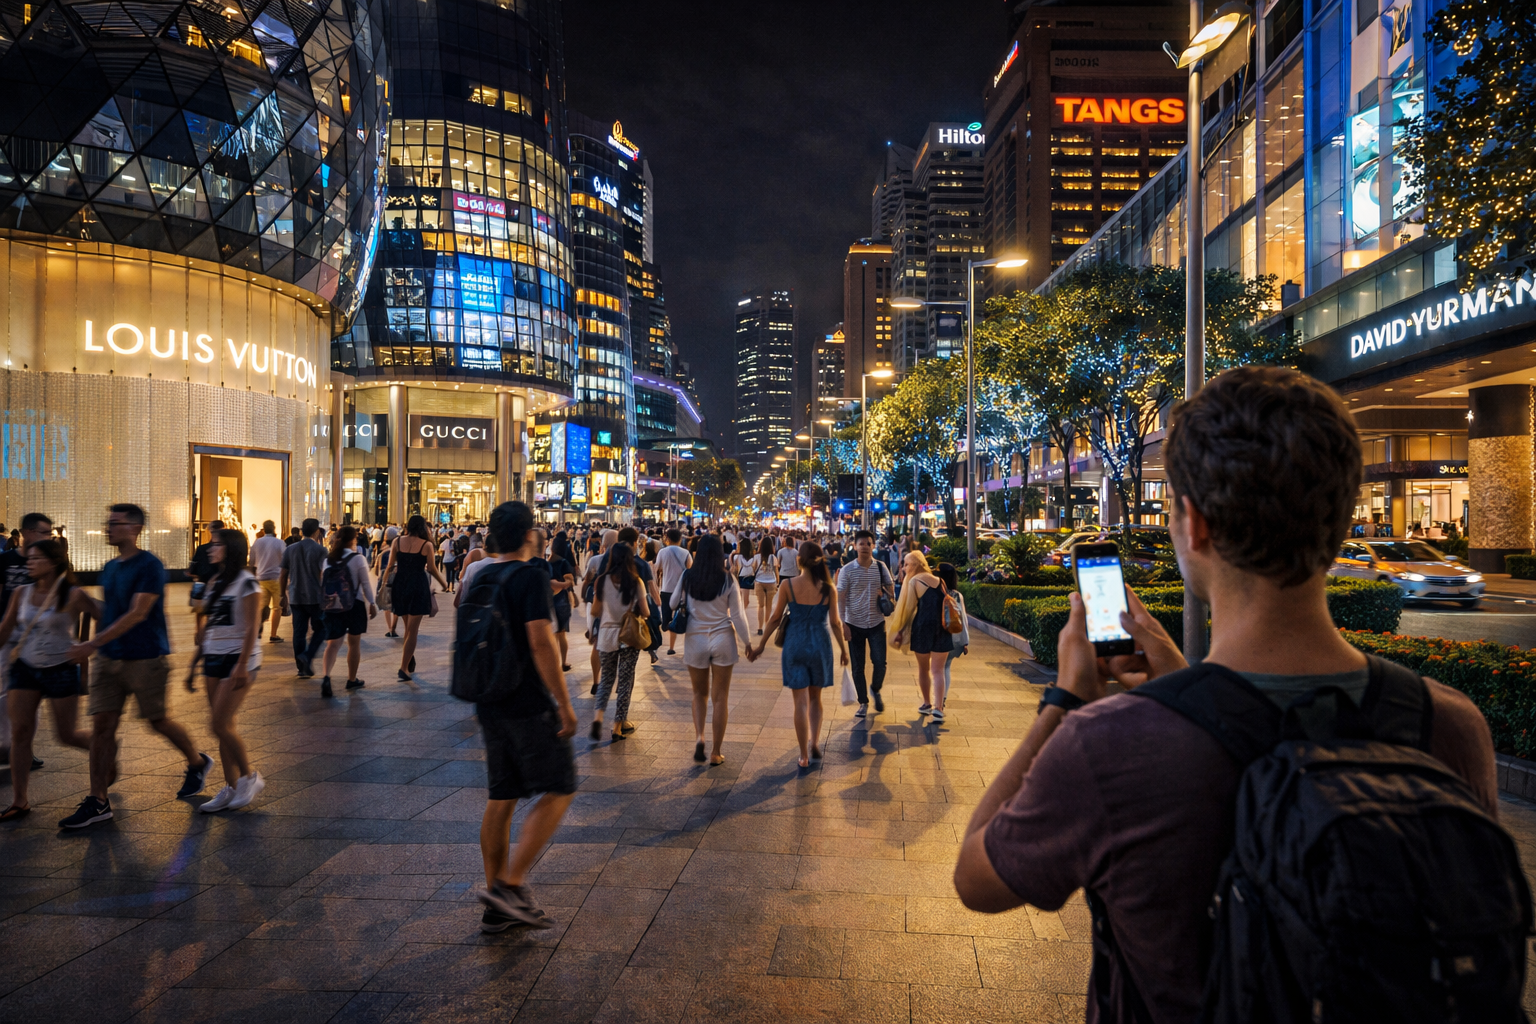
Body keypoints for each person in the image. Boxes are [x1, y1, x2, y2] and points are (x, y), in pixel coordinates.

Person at [953, 366, 1505, 1022]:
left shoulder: (1113, 746)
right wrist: (1188, 685)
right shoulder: (1448, 724)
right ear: (1341, 516)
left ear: (1195, 524)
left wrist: (1068, 700)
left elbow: (978, 877)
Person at [60, 504, 212, 828]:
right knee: (102, 727)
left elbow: (138, 612)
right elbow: (111, 612)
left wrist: (91, 643)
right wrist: (86, 605)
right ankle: (98, 799)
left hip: (145, 658)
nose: (108, 528)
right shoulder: (110, 567)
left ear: (135, 528)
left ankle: (197, 762)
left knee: (157, 721)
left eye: (115, 523)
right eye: (108, 523)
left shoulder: (150, 566)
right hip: (109, 659)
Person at [470, 502, 578, 931]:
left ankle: (496, 901)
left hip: (488, 696)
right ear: (529, 534)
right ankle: (510, 886)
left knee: (502, 796)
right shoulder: (530, 574)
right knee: (560, 786)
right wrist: (565, 704)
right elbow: (540, 643)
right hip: (526, 700)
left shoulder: (482, 573)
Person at [0, 539, 95, 821]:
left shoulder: (74, 594)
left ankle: (103, 746)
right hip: (25, 668)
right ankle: (20, 801)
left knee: (67, 734)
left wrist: (90, 646)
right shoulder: (21, 593)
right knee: (20, 733)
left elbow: (103, 615)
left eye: (36, 558)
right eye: (28, 558)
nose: (29, 562)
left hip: (61, 668)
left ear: (53, 563)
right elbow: (5, 628)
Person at [751, 542, 849, 769]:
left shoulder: (787, 585)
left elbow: (775, 619)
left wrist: (762, 644)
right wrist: (843, 650)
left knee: (800, 703)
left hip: (795, 644)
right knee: (816, 698)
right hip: (820, 645)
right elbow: (835, 622)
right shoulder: (828, 588)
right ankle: (814, 741)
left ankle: (803, 755)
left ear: (799, 560)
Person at [188, 529, 265, 812]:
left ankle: (249, 777)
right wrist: (194, 663)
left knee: (218, 724)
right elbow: (210, 626)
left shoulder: (247, 582)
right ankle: (231, 787)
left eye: (216, 544)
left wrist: (243, 664)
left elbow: (252, 627)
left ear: (231, 548)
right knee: (224, 726)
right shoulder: (215, 581)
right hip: (213, 657)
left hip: (238, 658)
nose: (210, 548)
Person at [681, 535, 755, 767]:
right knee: (720, 697)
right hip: (723, 639)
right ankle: (716, 752)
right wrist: (748, 644)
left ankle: (700, 737)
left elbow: (674, 602)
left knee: (698, 694)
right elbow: (737, 615)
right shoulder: (728, 579)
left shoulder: (688, 576)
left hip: (695, 639)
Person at [0, 512, 54, 771]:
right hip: (8, 634)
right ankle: (4, 746)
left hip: (35, 638)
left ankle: (24, 748)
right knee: (3, 692)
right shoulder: (6, 560)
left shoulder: (47, 562)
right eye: (44, 533)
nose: (48, 538)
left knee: (33, 695)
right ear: (28, 533)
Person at [590, 542, 648, 742]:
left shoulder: (601, 581)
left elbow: (595, 611)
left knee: (606, 679)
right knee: (625, 681)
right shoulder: (636, 581)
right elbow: (646, 611)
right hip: (628, 637)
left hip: (606, 635)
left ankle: (597, 719)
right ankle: (617, 727)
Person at [890, 550, 955, 722]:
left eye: (907, 564)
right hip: (943, 628)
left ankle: (927, 703)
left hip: (923, 628)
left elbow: (909, 608)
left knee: (924, 669)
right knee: (938, 670)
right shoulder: (940, 581)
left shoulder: (914, 581)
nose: (904, 568)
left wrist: (900, 631)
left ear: (916, 565)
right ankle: (939, 708)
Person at [837, 530, 895, 719]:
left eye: (868, 543)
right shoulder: (847, 570)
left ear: (873, 546)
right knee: (857, 666)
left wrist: (884, 592)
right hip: (854, 623)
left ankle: (875, 688)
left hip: (877, 622)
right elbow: (841, 598)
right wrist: (843, 623)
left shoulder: (880, 567)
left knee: (880, 663)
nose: (865, 547)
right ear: (855, 546)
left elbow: (891, 589)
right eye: (861, 543)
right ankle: (863, 702)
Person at [388, 515, 449, 682]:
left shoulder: (397, 542)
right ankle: (403, 668)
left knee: (408, 627)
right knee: (412, 631)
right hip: (417, 586)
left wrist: (382, 587)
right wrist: (444, 584)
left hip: (400, 585)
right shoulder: (426, 545)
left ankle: (408, 660)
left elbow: (390, 566)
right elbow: (431, 568)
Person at [319, 526, 377, 697]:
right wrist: (372, 603)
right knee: (354, 643)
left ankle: (326, 676)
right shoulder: (358, 559)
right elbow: (365, 583)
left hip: (333, 606)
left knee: (332, 644)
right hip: (354, 604)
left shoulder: (328, 559)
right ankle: (351, 679)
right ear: (353, 539)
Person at [278, 519, 328, 679]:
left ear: (301, 531)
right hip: (315, 596)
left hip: (296, 595)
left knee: (298, 632)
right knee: (321, 628)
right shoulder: (321, 550)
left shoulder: (290, 549)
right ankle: (308, 655)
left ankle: (301, 668)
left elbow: (283, 574)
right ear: (316, 531)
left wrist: (282, 595)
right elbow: (324, 575)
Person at [655, 528, 692, 656]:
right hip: (681, 591)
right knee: (680, 618)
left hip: (666, 590)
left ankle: (670, 642)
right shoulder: (686, 553)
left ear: (667, 539)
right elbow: (690, 570)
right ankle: (672, 647)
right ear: (680, 539)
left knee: (666, 621)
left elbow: (657, 568)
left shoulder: (662, 552)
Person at [936, 562, 969, 696]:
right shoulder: (957, 595)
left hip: (938, 637)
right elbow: (963, 619)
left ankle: (937, 699)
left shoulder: (935, 593)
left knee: (937, 669)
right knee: (946, 667)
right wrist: (965, 641)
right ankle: (942, 698)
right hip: (954, 637)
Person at [249, 520, 285, 642]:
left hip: (260, 578)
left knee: (261, 606)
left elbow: (251, 562)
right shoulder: (280, 543)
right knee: (277, 608)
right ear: (274, 528)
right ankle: (273, 635)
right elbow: (285, 561)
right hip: (276, 579)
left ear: (263, 529)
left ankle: (257, 629)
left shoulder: (257, 542)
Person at [547, 531, 577, 672]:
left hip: (549, 600)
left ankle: (553, 662)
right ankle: (563, 662)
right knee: (561, 633)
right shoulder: (563, 562)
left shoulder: (546, 562)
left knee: (552, 633)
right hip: (562, 600)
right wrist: (561, 587)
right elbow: (569, 581)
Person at [188, 519, 223, 607]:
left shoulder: (202, 548)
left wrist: (193, 572)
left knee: (199, 607)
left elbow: (195, 562)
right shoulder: (226, 548)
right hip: (218, 579)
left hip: (203, 579)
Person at [752, 535, 778, 634]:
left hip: (759, 582)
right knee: (769, 606)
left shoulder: (757, 557)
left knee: (761, 605)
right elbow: (776, 571)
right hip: (771, 582)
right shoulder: (773, 557)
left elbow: (754, 569)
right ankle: (767, 626)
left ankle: (760, 628)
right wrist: (778, 582)